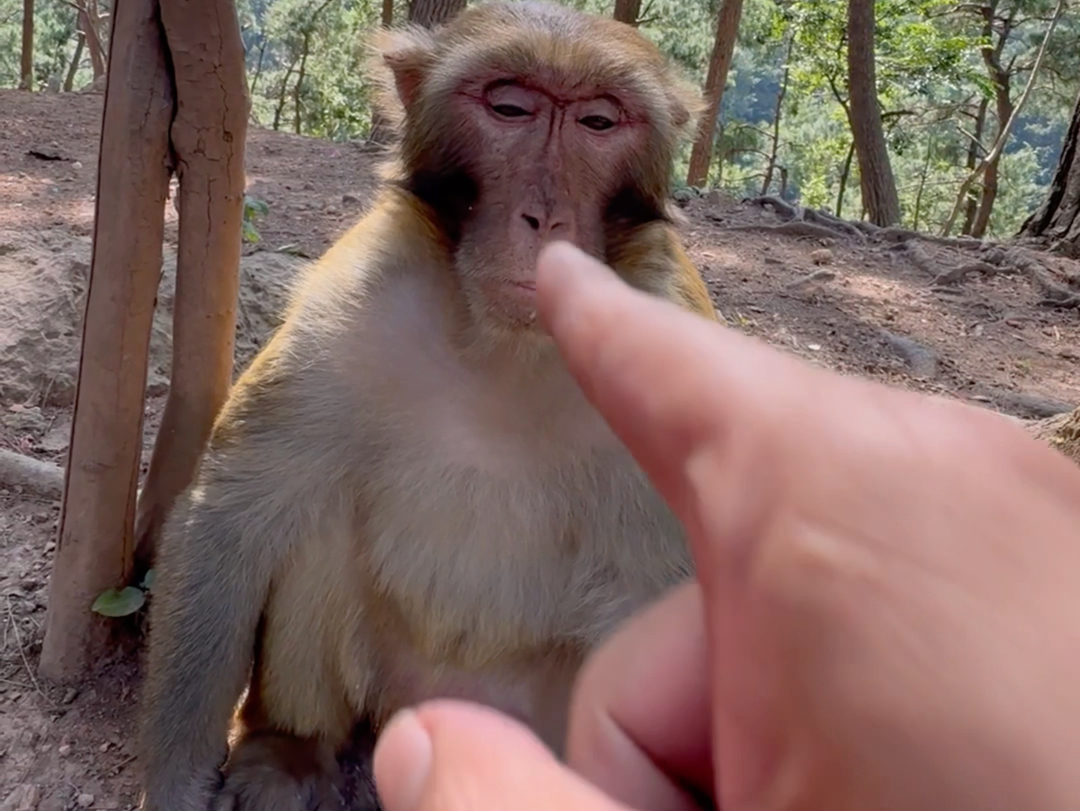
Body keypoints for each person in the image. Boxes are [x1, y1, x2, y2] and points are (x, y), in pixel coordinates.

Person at [372, 242, 1080, 811]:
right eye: (509, 110)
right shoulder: (368, 306)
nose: (540, 209)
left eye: (594, 121)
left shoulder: (658, 336)